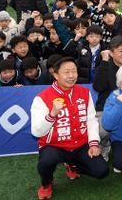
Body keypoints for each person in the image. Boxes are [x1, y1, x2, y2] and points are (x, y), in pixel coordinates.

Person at [30, 56, 108, 199]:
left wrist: (93, 143)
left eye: (74, 71)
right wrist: (52, 114)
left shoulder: (84, 92)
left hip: (80, 144)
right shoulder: (41, 98)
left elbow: (91, 120)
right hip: (55, 146)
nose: (72, 76)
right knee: (46, 162)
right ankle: (46, 183)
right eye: (66, 72)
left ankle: (73, 166)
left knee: (102, 171)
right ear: (55, 74)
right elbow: (36, 132)